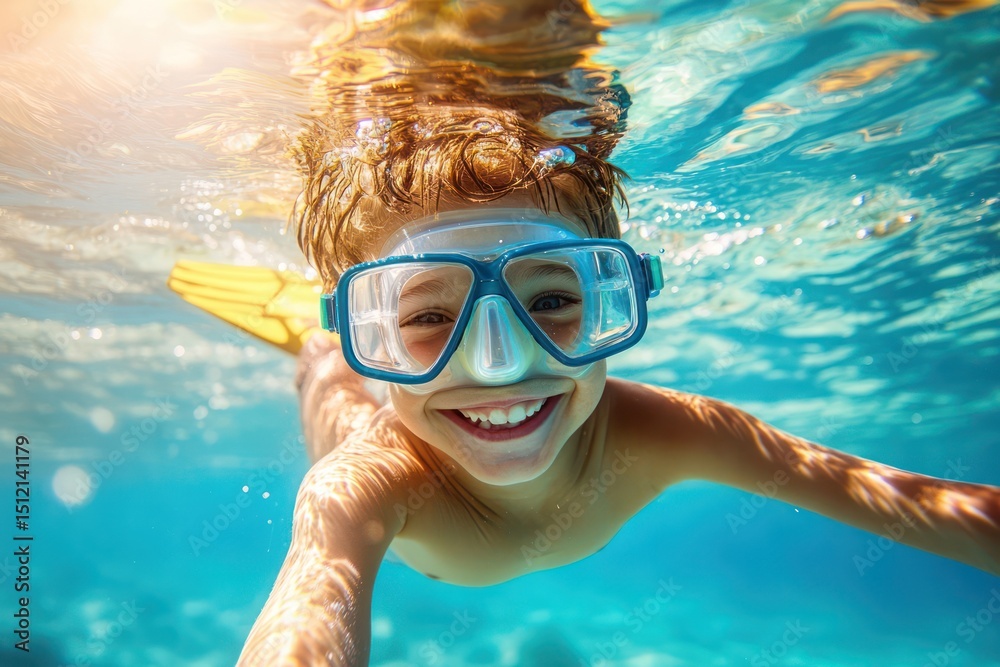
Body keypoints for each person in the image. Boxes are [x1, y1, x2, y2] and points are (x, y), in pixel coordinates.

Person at [222, 2, 1000, 665]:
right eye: (428, 315)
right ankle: (321, 346)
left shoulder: (674, 431)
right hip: (358, 413)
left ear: (614, 299)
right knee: (331, 388)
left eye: (553, 300)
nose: (502, 362)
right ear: (371, 325)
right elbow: (310, 604)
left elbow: (927, 506)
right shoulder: (356, 486)